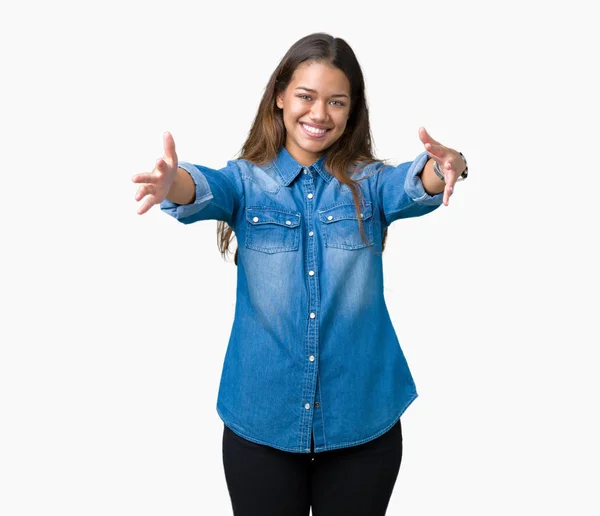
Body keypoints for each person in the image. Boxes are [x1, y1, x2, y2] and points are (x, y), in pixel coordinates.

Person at [132, 32, 468, 516]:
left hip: (362, 420)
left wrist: (447, 165)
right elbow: (204, 188)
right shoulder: (247, 182)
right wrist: (173, 183)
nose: (319, 114)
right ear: (280, 98)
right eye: (306, 97)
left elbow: (415, 183)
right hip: (262, 421)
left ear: (351, 111)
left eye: (336, 102)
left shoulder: (370, 185)